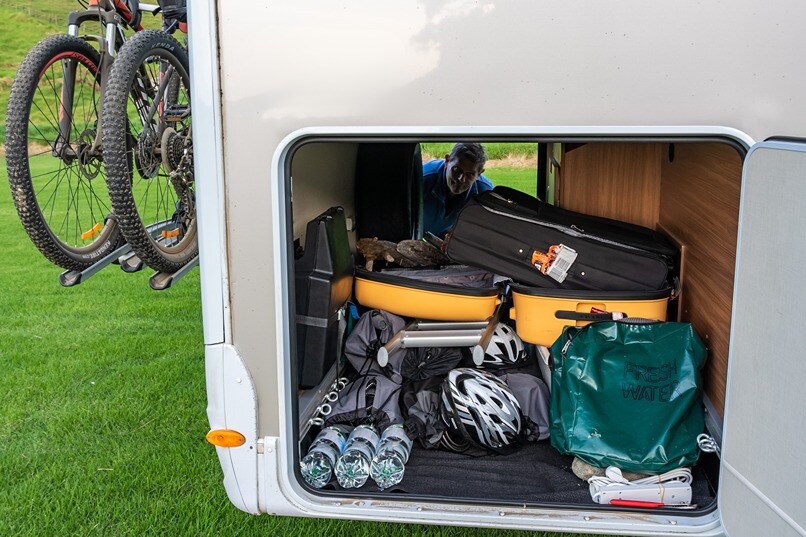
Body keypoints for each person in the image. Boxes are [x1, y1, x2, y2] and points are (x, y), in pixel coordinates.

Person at [421, 142, 494, 237]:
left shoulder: (485, 192)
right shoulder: (422, 178)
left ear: (479, 173)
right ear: (447, 161)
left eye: (469, 174)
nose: (461, 179)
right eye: (456, 169)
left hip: (446, 235)